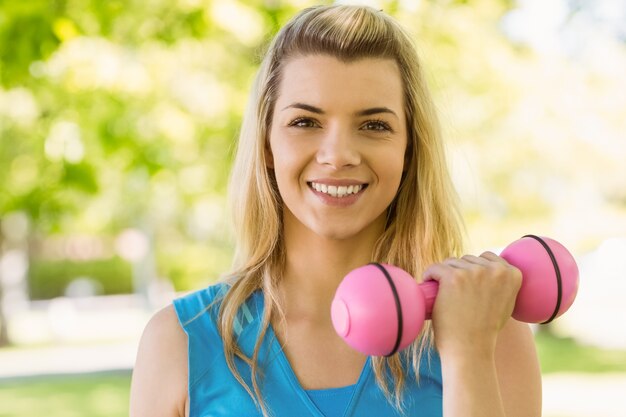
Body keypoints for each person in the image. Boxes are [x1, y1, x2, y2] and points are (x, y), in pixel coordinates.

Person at [129, 4, 541, 417]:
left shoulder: (491, 332)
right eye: (306, 122)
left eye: (374, 125)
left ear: (408, 151)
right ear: (267, 144)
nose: (338, 155)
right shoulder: (178, 344)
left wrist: (467, 354)